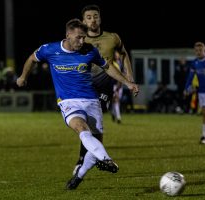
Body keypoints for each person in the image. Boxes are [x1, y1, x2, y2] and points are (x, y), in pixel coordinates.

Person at [16, 18, 139, 190]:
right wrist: (23, 77)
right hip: (68, 101)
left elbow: (108, 67)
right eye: (78, 37)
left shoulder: (90, 51)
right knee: (81, 128)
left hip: (91, 101)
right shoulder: (50, 49)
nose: (82, 41)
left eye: (83, 38)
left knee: (94, 143)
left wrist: (127, 82)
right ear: (68, 35)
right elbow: (31, 59)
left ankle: (78, 177)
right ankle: (106, 160)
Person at [72, 4, 135, 174]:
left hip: (104, 86)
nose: (93, 20)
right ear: (84, 20)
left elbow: (123, 53)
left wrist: (129, 75)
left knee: (94, 124)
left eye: (95, 16)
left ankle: (89, 158)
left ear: (100, 18)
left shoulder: (112, 38)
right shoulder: (80, 39)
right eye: (89, 17)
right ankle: (88, 159)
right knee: (90, 125)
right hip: (84, 86)